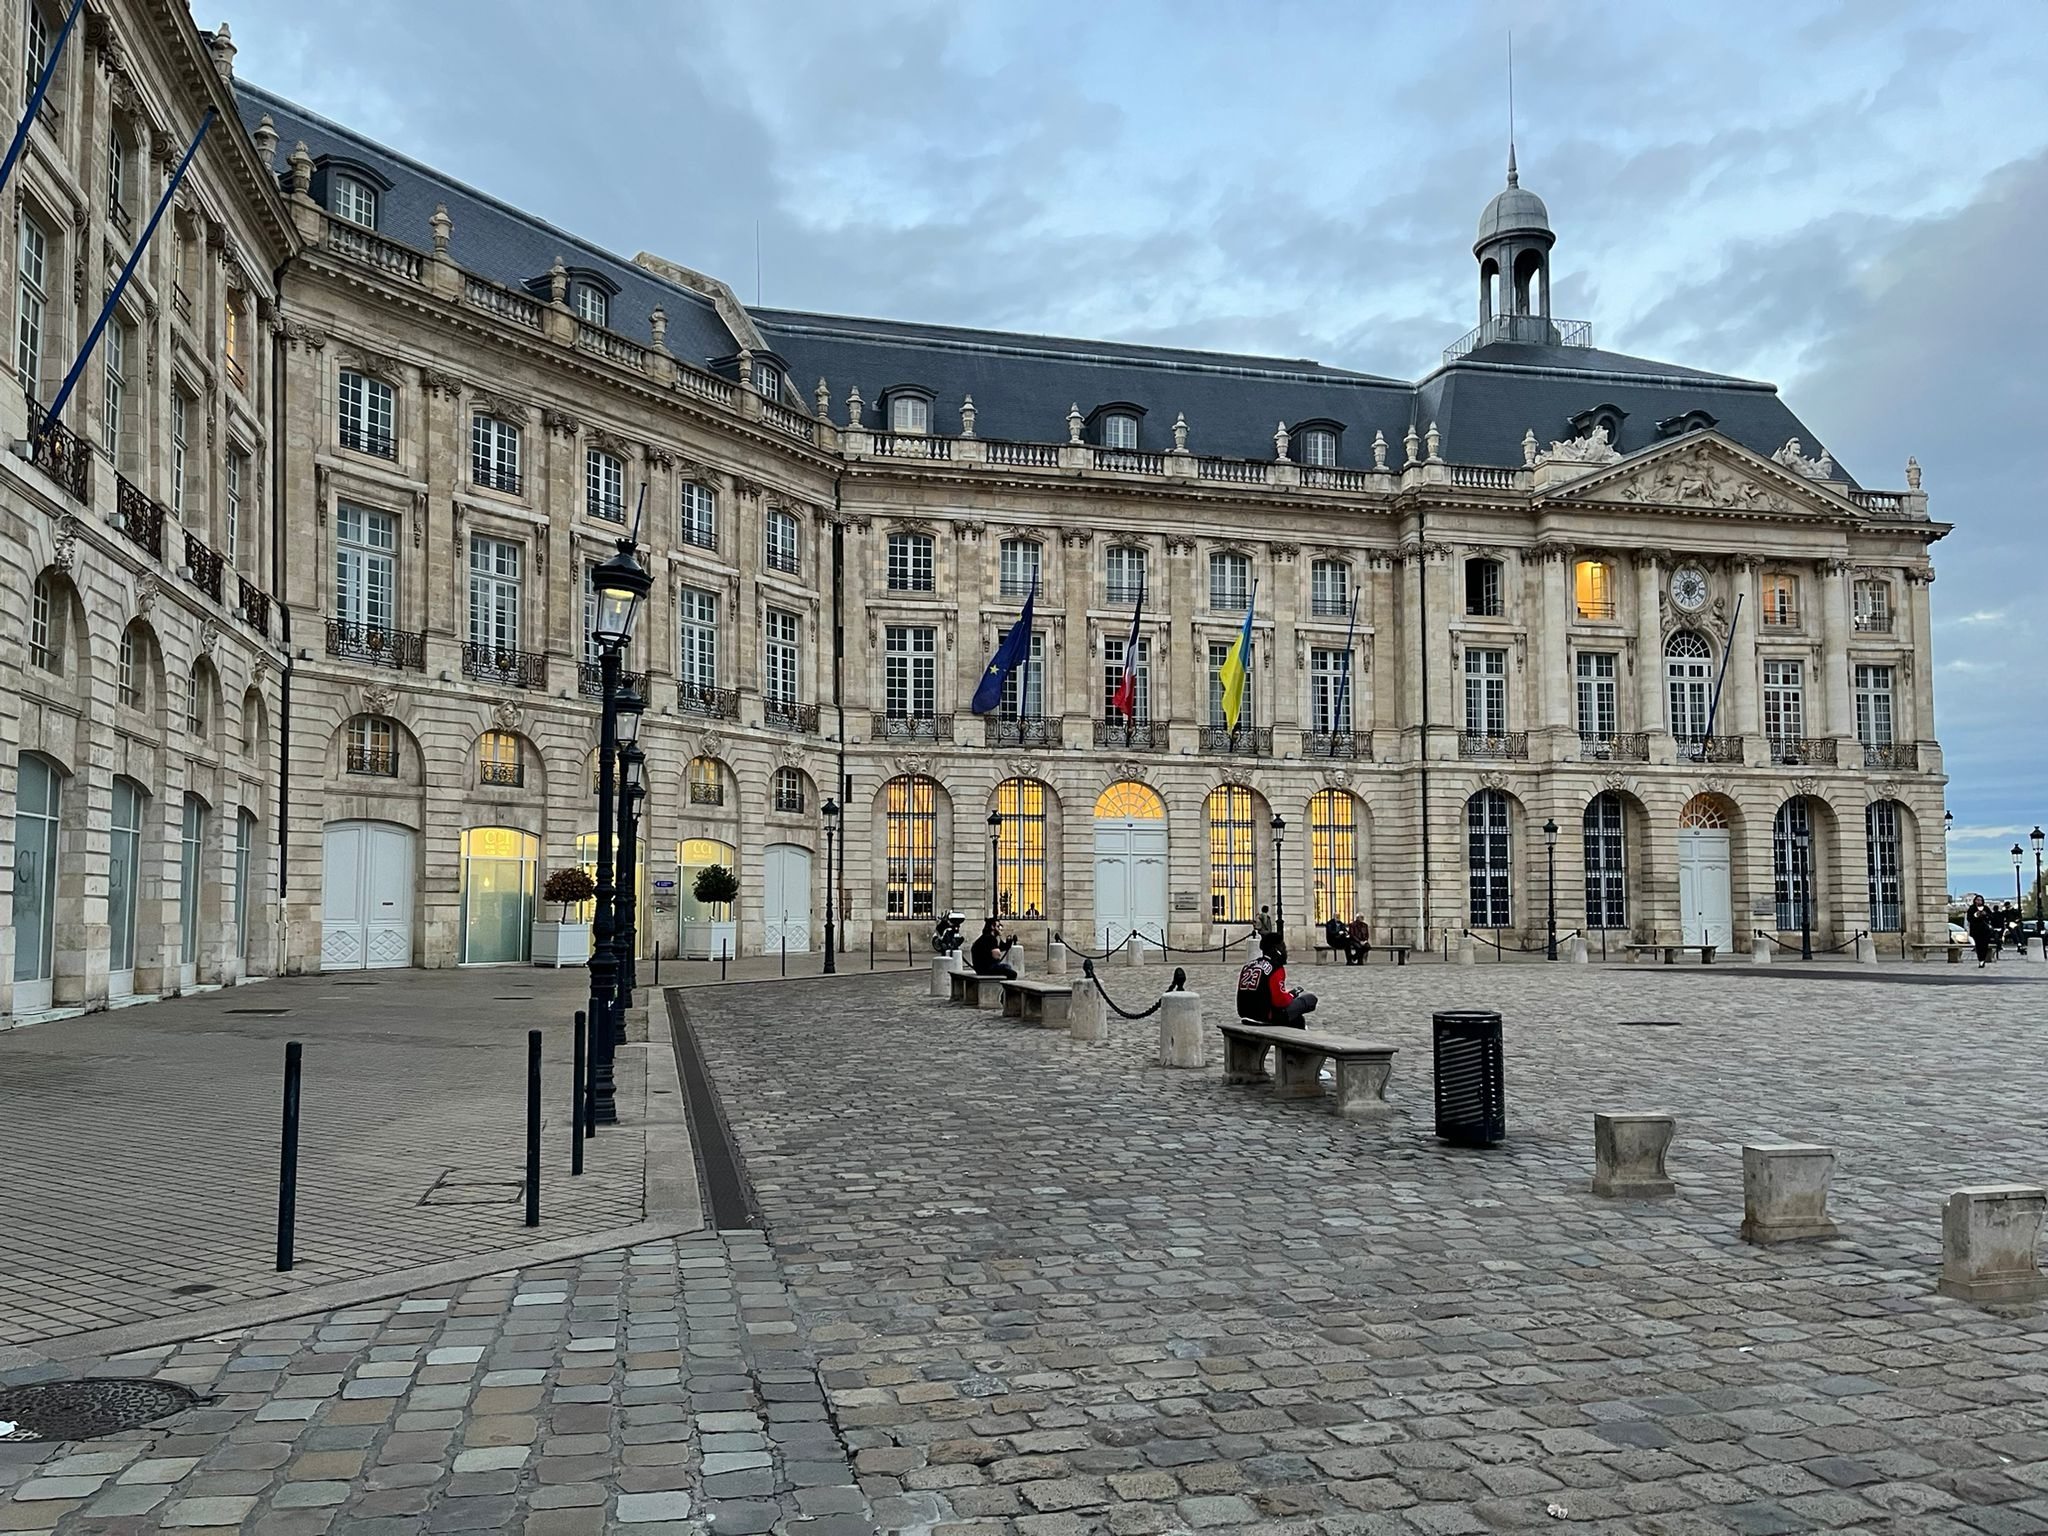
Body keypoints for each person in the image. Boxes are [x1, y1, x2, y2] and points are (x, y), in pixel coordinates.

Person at [1236, 933, 1317, 1028]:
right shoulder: (1275, 967)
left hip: (1246, 1014)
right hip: (1265, 1016)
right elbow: (1279, 1001)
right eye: (1283, 947)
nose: (1285, 951)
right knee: (1310, 999)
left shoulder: (1248, 966)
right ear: (1277, 949)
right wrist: (1291, 995)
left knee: (1296, 1018)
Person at [1966, 896, 1998, 968]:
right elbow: (1969, 919)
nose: (1979, 901)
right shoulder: (1972, 908)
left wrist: (1985, 914)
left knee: (1984, 945)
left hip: (1985, 930)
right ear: (1975, 901)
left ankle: (1983, 960)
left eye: (1980, 900)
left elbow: (1991, 917)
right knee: (1978, 945)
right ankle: (1980, 959)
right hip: (1976, 930)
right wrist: (1976, 915)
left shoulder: (1986, 908)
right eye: (1977, 900)